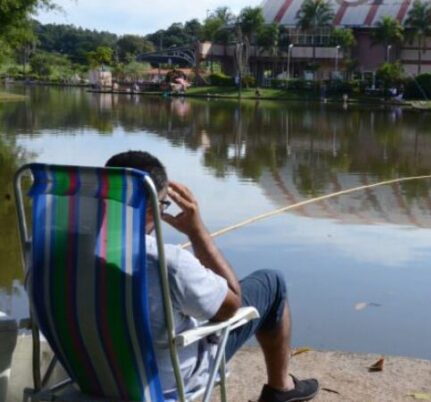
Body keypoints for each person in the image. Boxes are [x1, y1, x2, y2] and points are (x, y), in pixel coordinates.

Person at [105, 151, 319, 402]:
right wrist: (197, 232)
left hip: (94, 377)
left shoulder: (59, 252)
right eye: (164, 205)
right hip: (164, 385)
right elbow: (231, 306)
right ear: (152, 211)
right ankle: (280, 388)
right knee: (272, 283)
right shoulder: (167, 263)